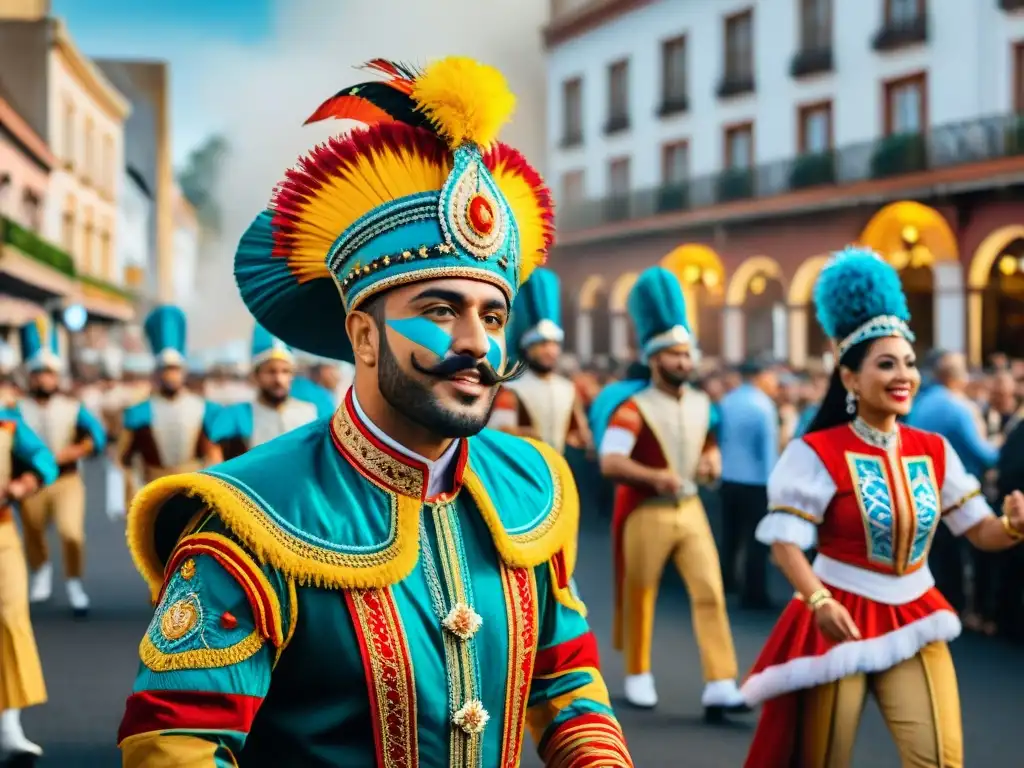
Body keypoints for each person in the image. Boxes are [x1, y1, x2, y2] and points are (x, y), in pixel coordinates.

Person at [116, 56, 632, 767]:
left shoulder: (531, 489)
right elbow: (176, 745)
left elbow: (568, 686)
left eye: (492, 315)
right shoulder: (254, 519)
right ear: (363, 335)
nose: (475, 343)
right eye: (440, 310)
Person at [742, 248, 1024, 767]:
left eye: (910, 363)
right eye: (887, 364)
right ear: (850, 378)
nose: (904, 376)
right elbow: (785, 542)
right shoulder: (816, 452)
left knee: (939, 760)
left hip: (917, 611)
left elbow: (979, 530)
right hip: (839, 615)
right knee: (823, 759)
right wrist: (818, 602)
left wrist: (1012, 525)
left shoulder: (934, 450)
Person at [590, 266, 745, 716]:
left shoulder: (703, 403)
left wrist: (712, 460)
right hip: (648, 510)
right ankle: (638, 672)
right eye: (674, 355)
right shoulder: (632, 408)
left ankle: (721, 680)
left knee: (710, 589)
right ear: (655, 360)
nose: (683, 362)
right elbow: (611, 461)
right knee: (641, 592)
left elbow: (708, 442)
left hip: (691, 507)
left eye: (686, 354)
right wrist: (653, 477)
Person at [16, 318, 106, 616]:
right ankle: (41, 570)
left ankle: (74, 582)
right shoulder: (16, 409)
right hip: (32, 482)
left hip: (67, 481)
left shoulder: (72, 407)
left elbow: (98, 436)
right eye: (39, 374)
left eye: (49, 374)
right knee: (33, 532)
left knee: (71, 532)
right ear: (30, 377)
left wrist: (78, 450)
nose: (44, 380)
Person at [115, 306, 222, 513]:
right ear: (156, 372)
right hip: (153, 490)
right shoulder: (138, 412)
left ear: (183, 372)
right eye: (165, 369)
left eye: (175, 369)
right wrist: (133, 493)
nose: (170, 375)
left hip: (195, 490)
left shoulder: (204, 408)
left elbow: (214, 453)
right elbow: (124, 458)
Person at [0, 388, 59, 759]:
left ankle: (9, 727)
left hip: (2, 531)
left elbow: (43, 459)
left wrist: (25, 482)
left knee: (11, 619)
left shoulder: (7, 423)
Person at [489, 267, 593, 455]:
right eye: (543, 344)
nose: (550, 351)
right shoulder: (511, 390)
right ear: (528, 348)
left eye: (554, 344)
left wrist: (582, 439)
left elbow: (579, 432)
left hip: (558, 467)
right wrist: (526, 434)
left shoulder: (568, 389)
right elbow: (499, 432)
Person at [717, 354, 779, 609]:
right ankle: (754, 592)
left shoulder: (727, 401)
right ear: (760, 376)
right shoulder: (763, 406)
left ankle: (726, 581)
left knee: (730, 535)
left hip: (728, 478)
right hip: (756, 482)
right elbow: (768, 451)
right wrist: (774, 487)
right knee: (757, 540)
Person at [209, 324, 319, 460]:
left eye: (285, 371)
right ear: (256, 376)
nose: (279, 379)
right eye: (271, 372)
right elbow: (215, 456)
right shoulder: (240, 415)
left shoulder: (310, 413)